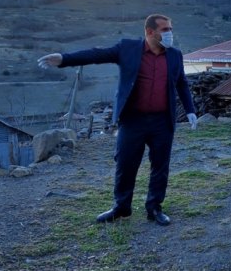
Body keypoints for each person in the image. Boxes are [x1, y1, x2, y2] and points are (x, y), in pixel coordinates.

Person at [37, 14, 197, 226]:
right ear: (150, 32)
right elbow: (96, 54)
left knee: (160, 166)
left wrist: (191, 109)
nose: (170, 34)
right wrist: (65, 59)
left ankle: (155, 207)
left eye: (170, 28)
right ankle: (122, 207)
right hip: (132, 120)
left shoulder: (175, 55)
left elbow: (182, 84)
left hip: (162, 121)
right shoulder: (128, 48)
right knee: (125, 164)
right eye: (165, 29)